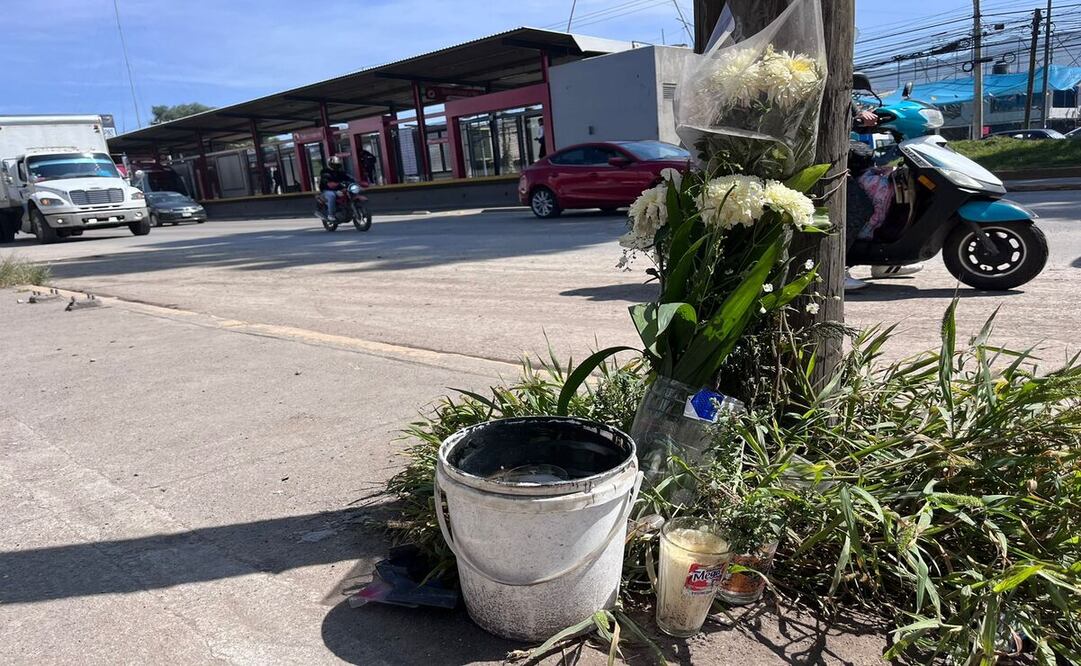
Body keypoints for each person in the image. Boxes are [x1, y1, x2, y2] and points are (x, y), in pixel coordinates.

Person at [845, 109, 923, 291]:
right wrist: (855, 119)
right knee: (859, 208)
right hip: (828, 160)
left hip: (845, 155)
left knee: (890, 198)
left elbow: (850, 108)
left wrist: (863, 114)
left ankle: (883, 261)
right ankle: (836, 269)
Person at [319, 155, 354, 221]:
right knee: (332, 196)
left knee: (350, 192)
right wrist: (335, 184)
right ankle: (331, 215)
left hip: (339, 189)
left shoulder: (340, 172)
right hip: (327, 190)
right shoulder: (325, 172)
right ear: (330, 164)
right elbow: (326, 180)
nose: (336, 166)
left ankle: (348, 209)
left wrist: (355, 182)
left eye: (337, 164)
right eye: (334, 164)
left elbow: (348, 177)